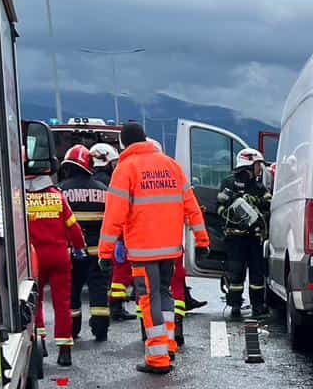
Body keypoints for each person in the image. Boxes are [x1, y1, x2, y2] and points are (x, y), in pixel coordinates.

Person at [98, 122, 209, 375]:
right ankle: (168, 346)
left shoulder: (126, 169)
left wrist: (105, 252)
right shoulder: (172, 166)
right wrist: (203, 240)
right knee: (166, 295)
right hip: (170, 250)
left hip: (143, 251)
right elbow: (192, 206)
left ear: (125, 143)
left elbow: (114, 214)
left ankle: (158, 359)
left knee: (149, 300)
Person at [24, 166, 83, 367]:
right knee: (62, 303)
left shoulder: (21, 200)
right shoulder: (58, 197)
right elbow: (73, 226)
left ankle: (40, 343)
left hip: (34, 258)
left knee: (35, 301)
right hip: (59, 256)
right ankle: (65, 350)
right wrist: (79, 247)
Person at [58, 145, 112, 342]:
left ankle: (72, 329)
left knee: (72, 290)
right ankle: (101, 329)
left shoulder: (61, 191)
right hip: (97, 252)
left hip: (72, 252)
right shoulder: (104, 190)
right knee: (98, 290)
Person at [217, 147, 273, 319]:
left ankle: (258, 307)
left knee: (257, 273)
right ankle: (234, 306)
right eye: (258, 164)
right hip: (235, 237)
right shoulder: (228, 183)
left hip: (254, 237)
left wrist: (254, 201)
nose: (260, 168)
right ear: (249, 163)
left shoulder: (257, 185)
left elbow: (268, 201)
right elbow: (219, 206)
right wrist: (232, 211)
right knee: (236, 273)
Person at [91, 143, 134, 321]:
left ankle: (114, 306)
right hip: (115, 235)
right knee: (119, 273)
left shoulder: (94, 180)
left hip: (94, 237)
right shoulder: (109, 182)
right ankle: (116, 307)